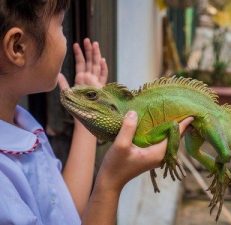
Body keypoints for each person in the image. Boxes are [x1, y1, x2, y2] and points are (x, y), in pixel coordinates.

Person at [0, 1, 193, 225]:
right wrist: (110, 183)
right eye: (61, 25)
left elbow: (65, 211)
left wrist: (87, 118)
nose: (65, 38)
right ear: (18, 47)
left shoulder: (22, 122)